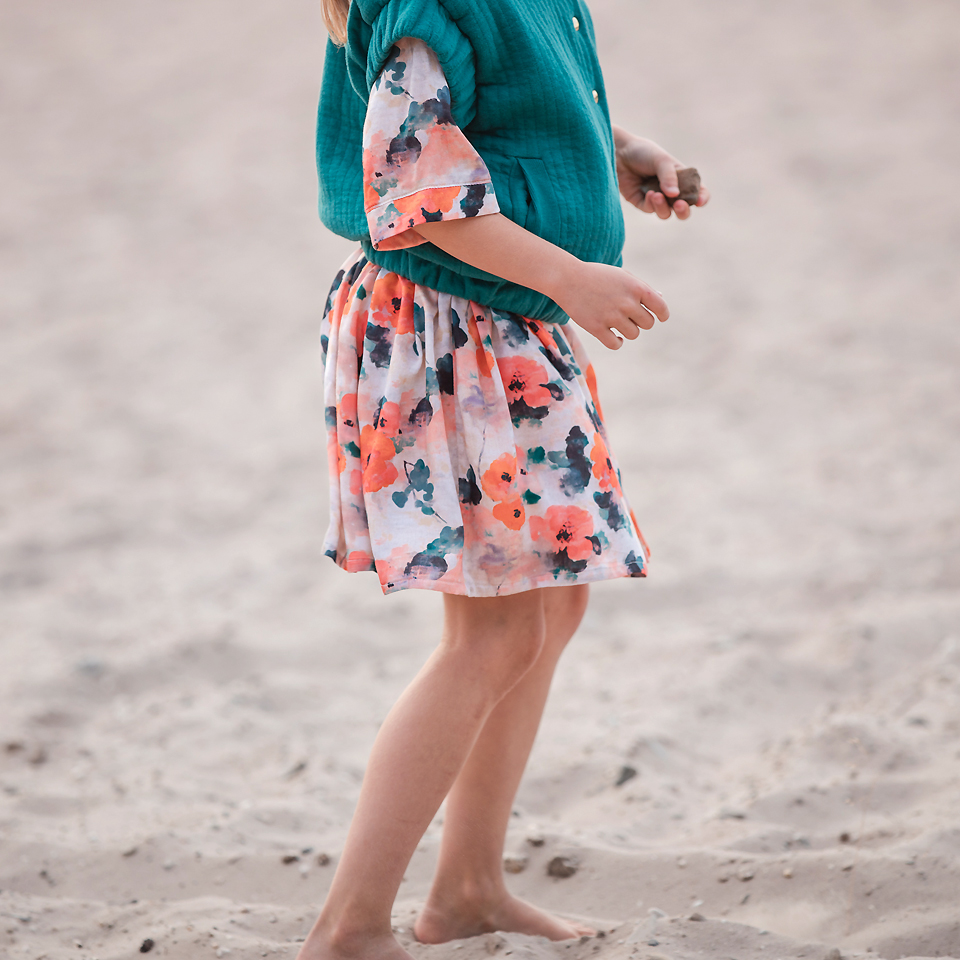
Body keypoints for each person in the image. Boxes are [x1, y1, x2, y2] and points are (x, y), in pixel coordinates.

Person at [300, 0, 708, 957]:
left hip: (505, 325)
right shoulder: (433, 7)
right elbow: (413, 189)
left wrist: (613, 148)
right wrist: (567, 276)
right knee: (492, 631)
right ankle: (350, 928)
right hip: (450, 330)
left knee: (551, 603)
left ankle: (469, 889)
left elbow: (506, 100)